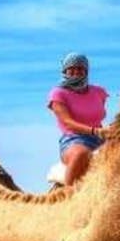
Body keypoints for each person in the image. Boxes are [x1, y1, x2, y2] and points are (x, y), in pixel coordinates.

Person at [47, 52, 108, 185]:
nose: (76, 72)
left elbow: (98, 117)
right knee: (81, 154)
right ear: (65, 70)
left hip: (101, 138)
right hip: (74, 139)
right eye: (72, 68)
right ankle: (68, 197)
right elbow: (68, 123)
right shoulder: (58, 93)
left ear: (86, 71)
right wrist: (94, 131)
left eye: (80, 68)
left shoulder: (98, 92)